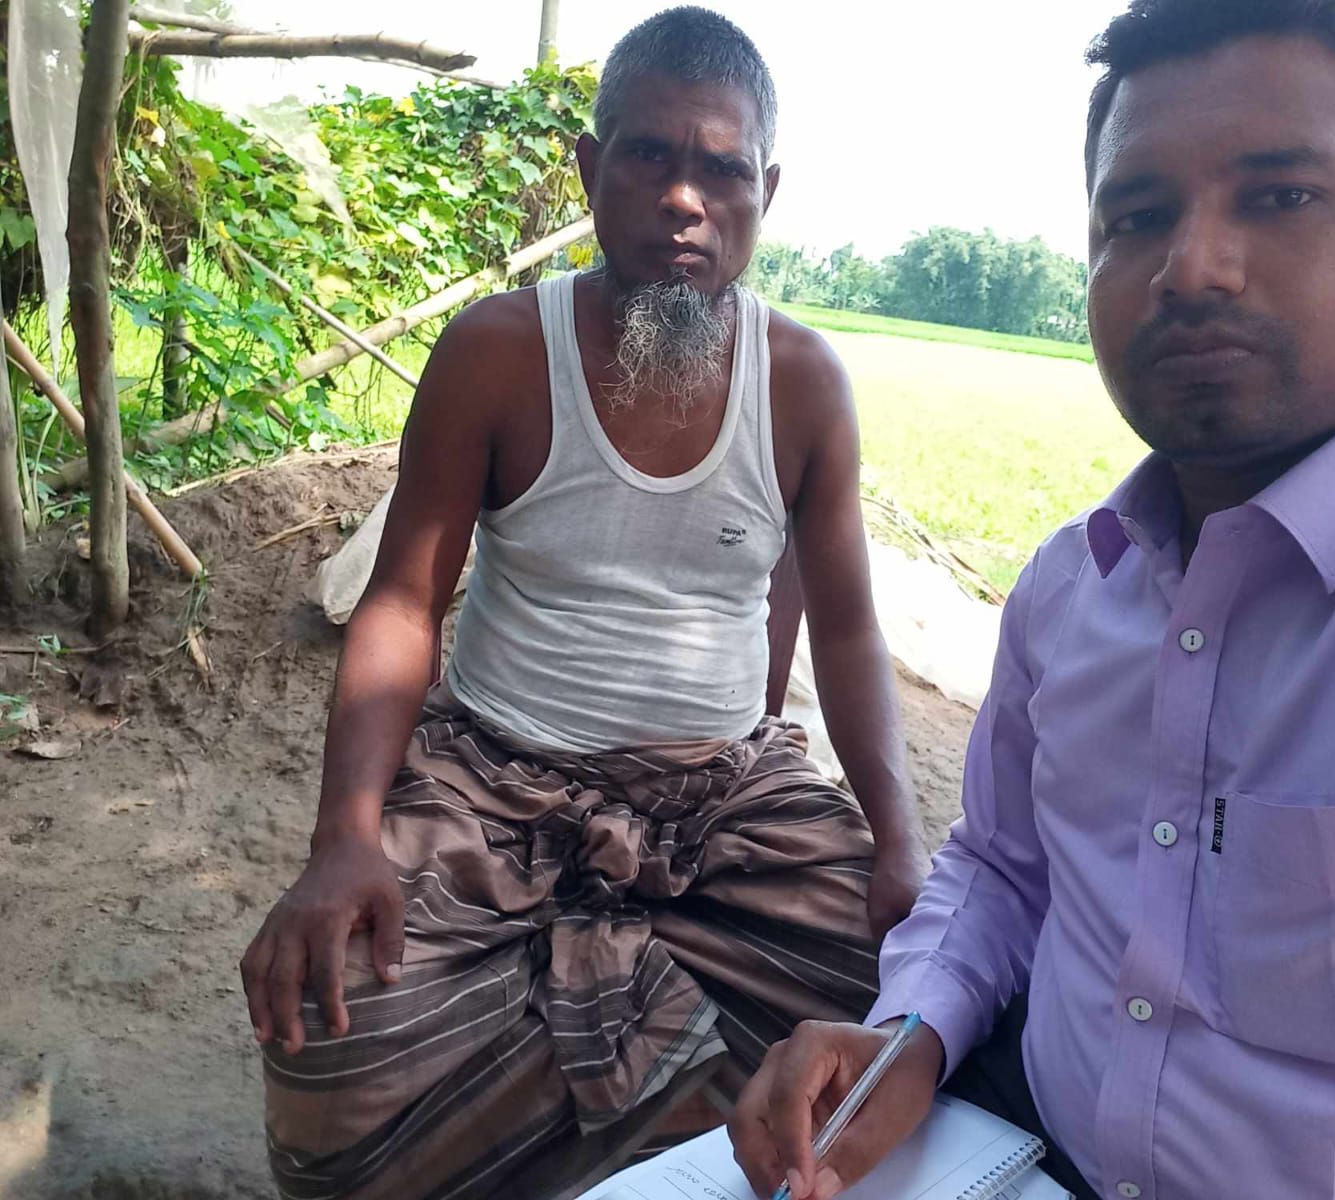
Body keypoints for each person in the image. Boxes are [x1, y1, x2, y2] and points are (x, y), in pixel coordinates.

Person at [729, 2, 1335, 1198]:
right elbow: (1001, 864)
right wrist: (912, 1030)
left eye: (1279, 196)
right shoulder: (1066, 590)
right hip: (1021, 1160)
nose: (1192, 266)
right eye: (1137, 218)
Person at [238, 8, 927, 1197]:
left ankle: (625, 1142)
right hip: (492, 775)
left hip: (725, 792)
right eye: (649, 155)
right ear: (590, 168)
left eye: (722, 170)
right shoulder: (498, 352)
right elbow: (402, 603)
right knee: (335, 1038)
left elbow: (849, 629)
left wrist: (901, 847)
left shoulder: (804, 383)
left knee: (902, 1001)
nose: (683, 199)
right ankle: (653, 1126)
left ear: (765, 192)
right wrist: (344, 837)